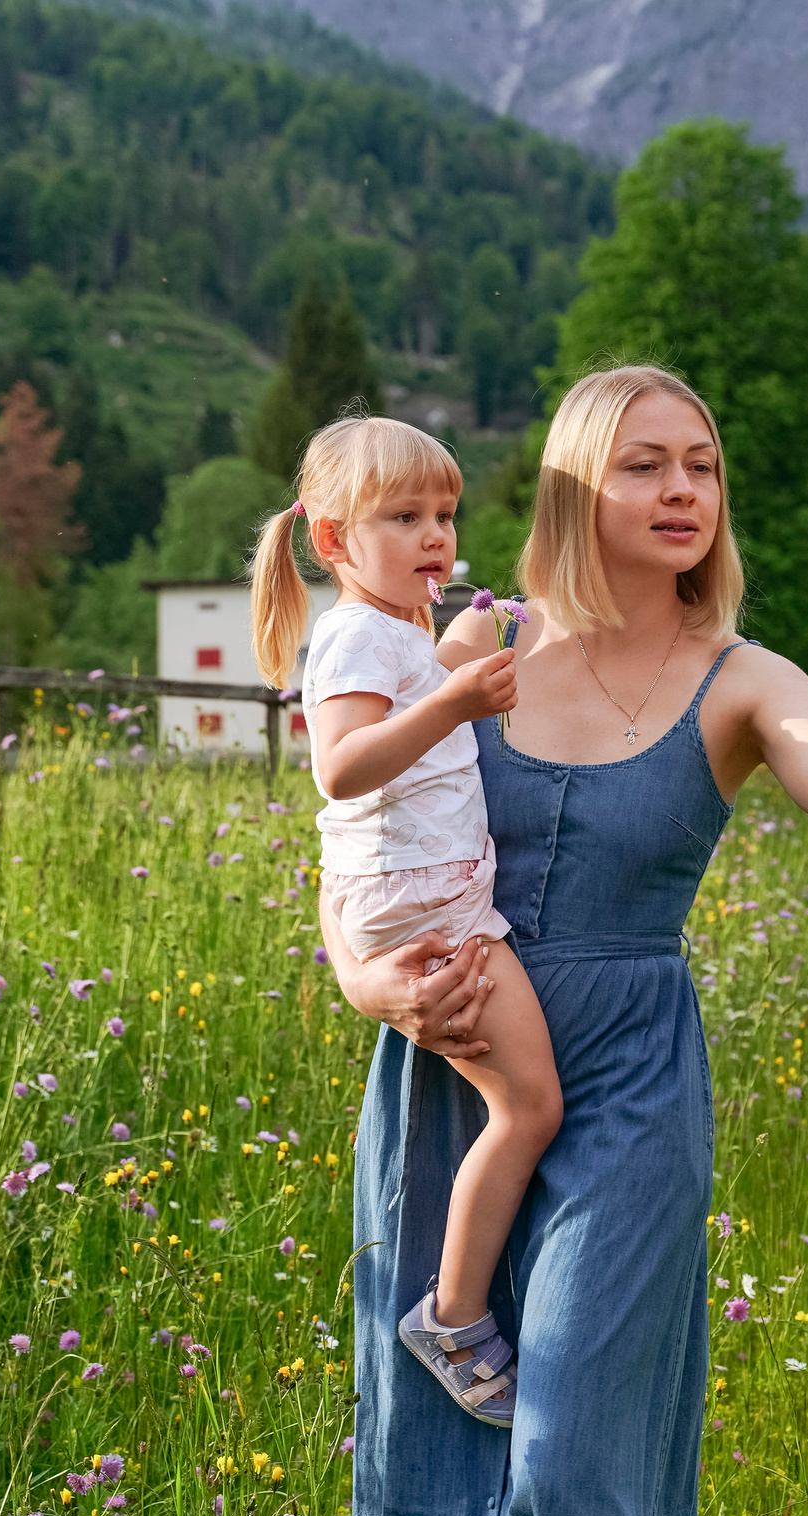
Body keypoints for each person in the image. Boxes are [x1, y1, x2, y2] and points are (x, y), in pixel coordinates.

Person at [320, 365, 808, 1516]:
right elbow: (360, 839)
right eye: (646, 464)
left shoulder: (742, 678)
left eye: (700, 464)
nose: (683, 488)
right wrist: (369, 982)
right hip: (450, 1068)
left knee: (572, 1448)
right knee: (433, 1449)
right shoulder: (476, 643)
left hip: (627, 1092)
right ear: (580, 483)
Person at [250, 414, 560, 1427]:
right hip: (426, 907)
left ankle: (459, 1303)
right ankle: (452, 1314)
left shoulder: (397, 632)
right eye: (404, 517)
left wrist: (475, 644)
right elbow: (341, 768)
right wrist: (455, 702)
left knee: (524, 1105)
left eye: (444, 514)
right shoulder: (349, 634)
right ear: (334, 540)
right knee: (528, 1109)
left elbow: (427, 692)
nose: (435, 535)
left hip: (427, 891)